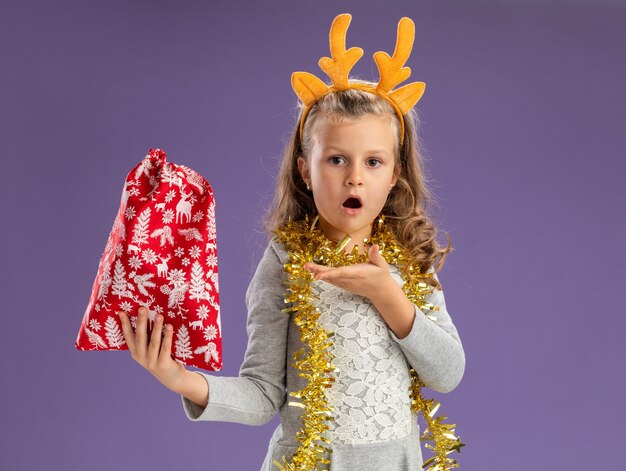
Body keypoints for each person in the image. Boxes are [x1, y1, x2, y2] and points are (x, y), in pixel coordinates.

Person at [118, 13, 465, 471]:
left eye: (374, 161)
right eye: (337, 159)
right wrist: (180, 378)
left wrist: (389, 296)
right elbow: (263, 395)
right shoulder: (284, 262)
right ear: (306, 169)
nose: (355, 177)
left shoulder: (408, 257)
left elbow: (447, 374)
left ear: (395, 173)